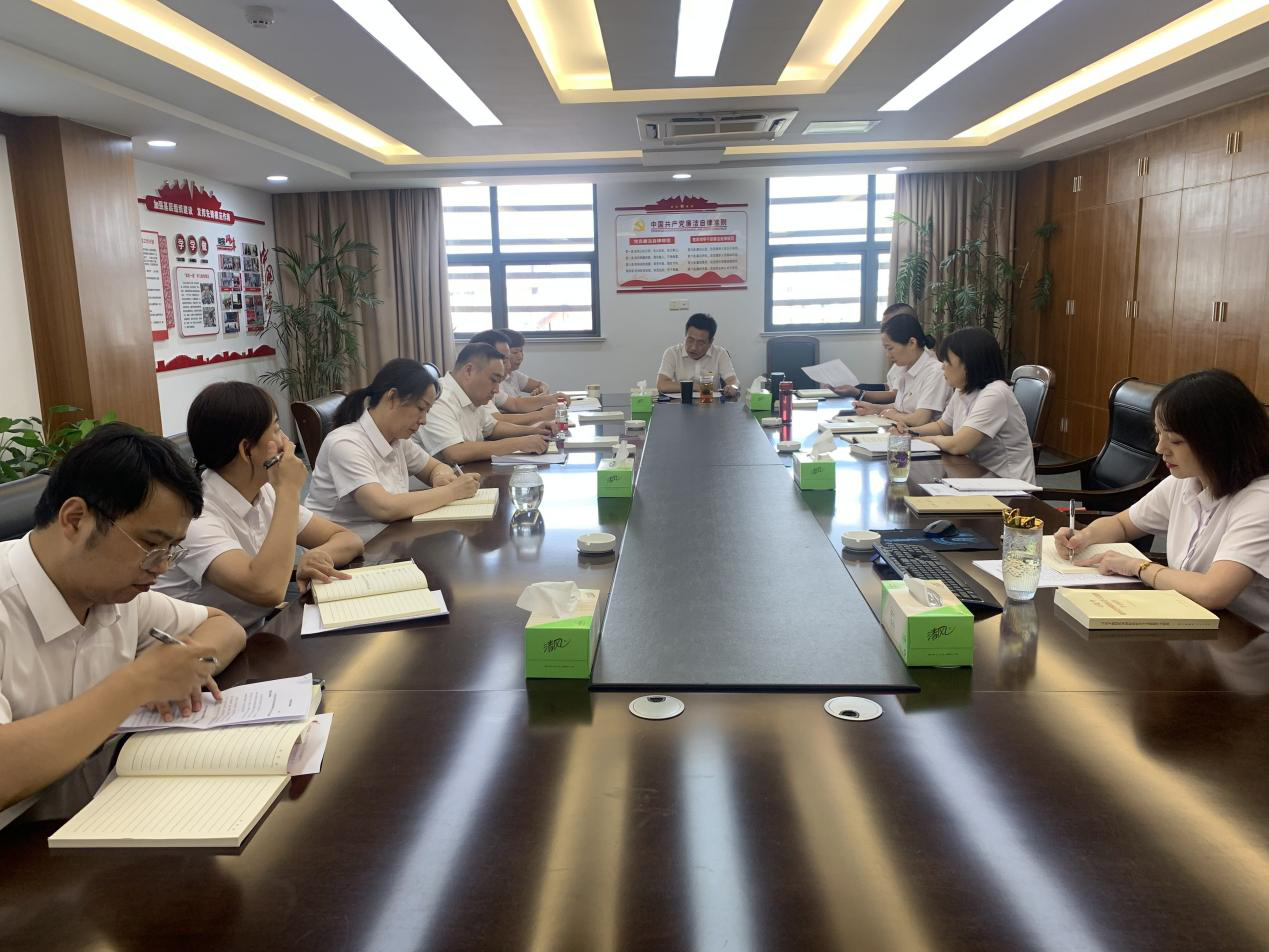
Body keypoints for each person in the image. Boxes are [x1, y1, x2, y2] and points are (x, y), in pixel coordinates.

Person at [0, 424, 247, 809]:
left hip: (101, 804)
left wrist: (182, 667)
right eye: (150, 544)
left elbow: (225, 627)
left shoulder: (116, 595)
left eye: (172, 549)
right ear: (75, 519)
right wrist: (139, 682)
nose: (162, 567)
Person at [1054, 369, 1269, 627]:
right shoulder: (1187, 481)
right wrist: (1084, 537)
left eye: (1175, 441)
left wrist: (1139, 567)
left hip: (1247, 638)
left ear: (1219, 441)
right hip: (1192, 620)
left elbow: (1213, 592)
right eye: (1158, 434)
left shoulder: (1260, 501)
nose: (1160, 449)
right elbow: (1123, 524)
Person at [154, 382, 364, 629]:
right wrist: (289, 490)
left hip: (254, 632)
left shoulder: (264, 491)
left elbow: (349, 539)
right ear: (246, 450)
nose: (287, 442)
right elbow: (268, 589)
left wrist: (318, 557)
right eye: (276, 430)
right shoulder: (194, 517)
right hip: (197, 645)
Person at [305, 358, 482, 540]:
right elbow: (384, 508)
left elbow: (435, 467)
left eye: (427, 411)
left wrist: (440, 476)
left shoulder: (397, 439)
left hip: (388, 538)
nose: (424, 420)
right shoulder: (345, 444)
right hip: (348, 549)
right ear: (392, 397)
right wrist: (453, 491)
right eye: (421, 408)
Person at [899, 326, 1035, 482]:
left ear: (969, 363)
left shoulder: (995, 393)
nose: (942, 366)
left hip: (1009, 486)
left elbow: (959, 445)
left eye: (947, 360)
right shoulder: (963, 389)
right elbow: (942, 427)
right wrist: (909, 432)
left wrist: (927, 440)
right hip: (977, 476)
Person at [416, 342, 557, 463]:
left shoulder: (471, 395)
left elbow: (493, 428)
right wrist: (518, 443)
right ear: (469, 371)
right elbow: (455, 452)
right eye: (494, 380)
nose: (496, 390)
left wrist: (535, 430)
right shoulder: (439, 398)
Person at [850, 312, 950, 426]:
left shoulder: (935, 372)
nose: (888, 355)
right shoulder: (905, 367)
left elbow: (920, 419)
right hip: (903, 431)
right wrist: (874, 408)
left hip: (923, 434)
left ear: (912, 343)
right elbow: (901, 407)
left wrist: (892, 415)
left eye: (890, 348)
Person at [832, 303, 921, 399]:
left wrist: (858, 393)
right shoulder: (902, 355)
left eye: (890, 325)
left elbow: (895, 396)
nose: (884, 330)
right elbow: (889, 387)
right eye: (883, 326)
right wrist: (856, 387)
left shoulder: (912, 357)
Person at [468, 330, 561, 421]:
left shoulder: (491, 384)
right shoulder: (479, 388)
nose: (509, 366)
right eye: (504, 361)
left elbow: (515, 404)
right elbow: (495, 421)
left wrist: (551, 399)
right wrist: (541, 415)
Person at [656, 313, 740, 397]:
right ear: (685, 336)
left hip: (711, 402)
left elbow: (733, 381)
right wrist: (695, 387)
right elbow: (662, 385)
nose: (693, 347)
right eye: (690, 340)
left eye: (700, 343)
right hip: (681, 402)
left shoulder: (720, 353)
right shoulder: (672, 353)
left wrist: (732, 387)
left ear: (710, 342)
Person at [502, 328, 549, 396]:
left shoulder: (514, 374)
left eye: (521, 351)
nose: (520, 357)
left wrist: (541, 391)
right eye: (515, 352)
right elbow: (514, 402)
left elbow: (543, 385)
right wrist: (539, 399)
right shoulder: (497, 381)